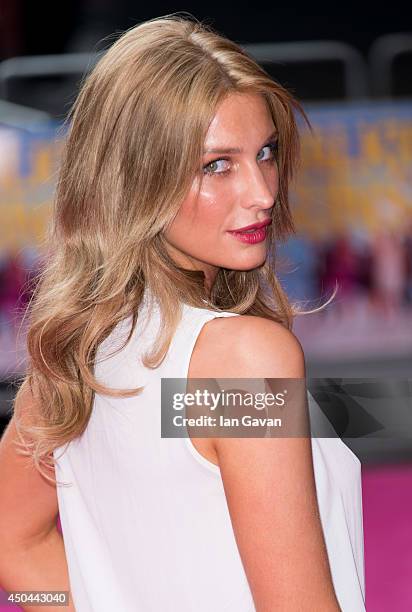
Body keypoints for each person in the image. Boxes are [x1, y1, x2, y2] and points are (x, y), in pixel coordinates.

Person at [0, 14, 365, 612]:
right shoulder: (241, 363)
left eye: (265, 152)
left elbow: (15, 544)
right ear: (135, 178)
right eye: (216, 165)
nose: (263, 192)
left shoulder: (78, 357)